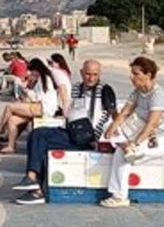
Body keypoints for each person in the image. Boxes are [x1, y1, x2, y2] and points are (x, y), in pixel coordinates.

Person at [13, 60, 118, 204]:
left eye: (95, 74)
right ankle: (35, 187)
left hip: (88, 138)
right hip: (72, 132)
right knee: (36, 135)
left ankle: (33, 182)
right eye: (88, 74)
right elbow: (72, 110)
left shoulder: (105, 90)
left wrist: (110, 134)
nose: (91, 78)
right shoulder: (76, 88)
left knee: (40, 137)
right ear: (81, 73)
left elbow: (114, 114)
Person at [100, 56, 164, 208]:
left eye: (136, 74)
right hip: (139, 132)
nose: (132, 77)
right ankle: (126, 150)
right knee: (108, 128)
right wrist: (113, 126)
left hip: (159, 139)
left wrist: (134, 144)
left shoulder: (158, 96)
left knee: (122, 155)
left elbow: (151, 124)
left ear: (148, 75)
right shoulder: (138, 92)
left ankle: (120, 196)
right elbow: (125, 112)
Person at [0, 58, 59, 154]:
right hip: (39, 106)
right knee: (12, 120)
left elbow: (37, 97)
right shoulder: (42, 79)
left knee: (9, 107)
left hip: (43, 107)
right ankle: (11, 146)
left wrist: (27, 91)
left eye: (33, 71)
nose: (32, 74)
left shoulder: (45, 79)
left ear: (37, 69)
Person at [48, 53, 73, 117]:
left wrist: (65, 107)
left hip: (61, 103)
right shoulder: (64, 71)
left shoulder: (55, 72)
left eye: (50, 62)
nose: (49, 65)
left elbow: (62, 88)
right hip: (68, 100)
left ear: (57, 63)